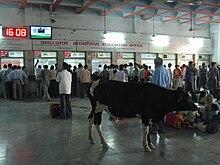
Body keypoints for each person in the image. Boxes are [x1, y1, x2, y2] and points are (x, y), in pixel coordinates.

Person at [151, 57, 170, 134]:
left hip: (157, 93)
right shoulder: (166, 70)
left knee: (155, 111)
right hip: (164, 92)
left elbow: (154, 84)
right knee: (162, 111)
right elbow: (168, 81)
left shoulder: (157, 70)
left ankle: (154, 128)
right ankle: (162, 128)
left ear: (157, 63)